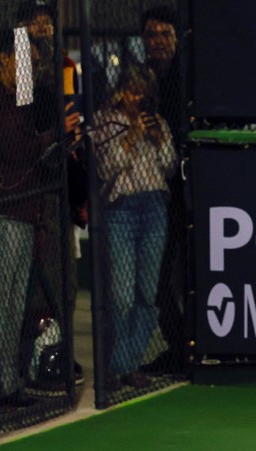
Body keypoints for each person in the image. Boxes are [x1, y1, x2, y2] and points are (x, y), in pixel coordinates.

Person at [0, 31, 79, 411]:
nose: (30, 67)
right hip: (2, 212)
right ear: (4, 59)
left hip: (24, 210)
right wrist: (53, 134)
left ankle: (6, 384)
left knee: (14, 306)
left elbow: (32, 147)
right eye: (24, 59)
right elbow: (13, 147)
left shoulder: (20, 99)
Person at [89, 64, 177, 391]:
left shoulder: (157, 121)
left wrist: (158, 139)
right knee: (122, 295)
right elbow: (106, 167)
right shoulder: (105, 121)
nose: (138, 99)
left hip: (153, 206)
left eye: (143, 93)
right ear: (121, 91)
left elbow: (169, 166)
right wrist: (131, 137)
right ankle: (115, 365)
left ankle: (130, 364)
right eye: (133, 92)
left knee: (147, 293)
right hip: (121, 209)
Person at [137, 4, 188, 376]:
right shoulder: (139, 81)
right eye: (151, 35)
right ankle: (179, 345)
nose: (157, 41)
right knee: (156, 277)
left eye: (164, 34)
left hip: (182, 187)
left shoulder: (187, 77)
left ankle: (190, 346)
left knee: (183, 272)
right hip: (150, 192)